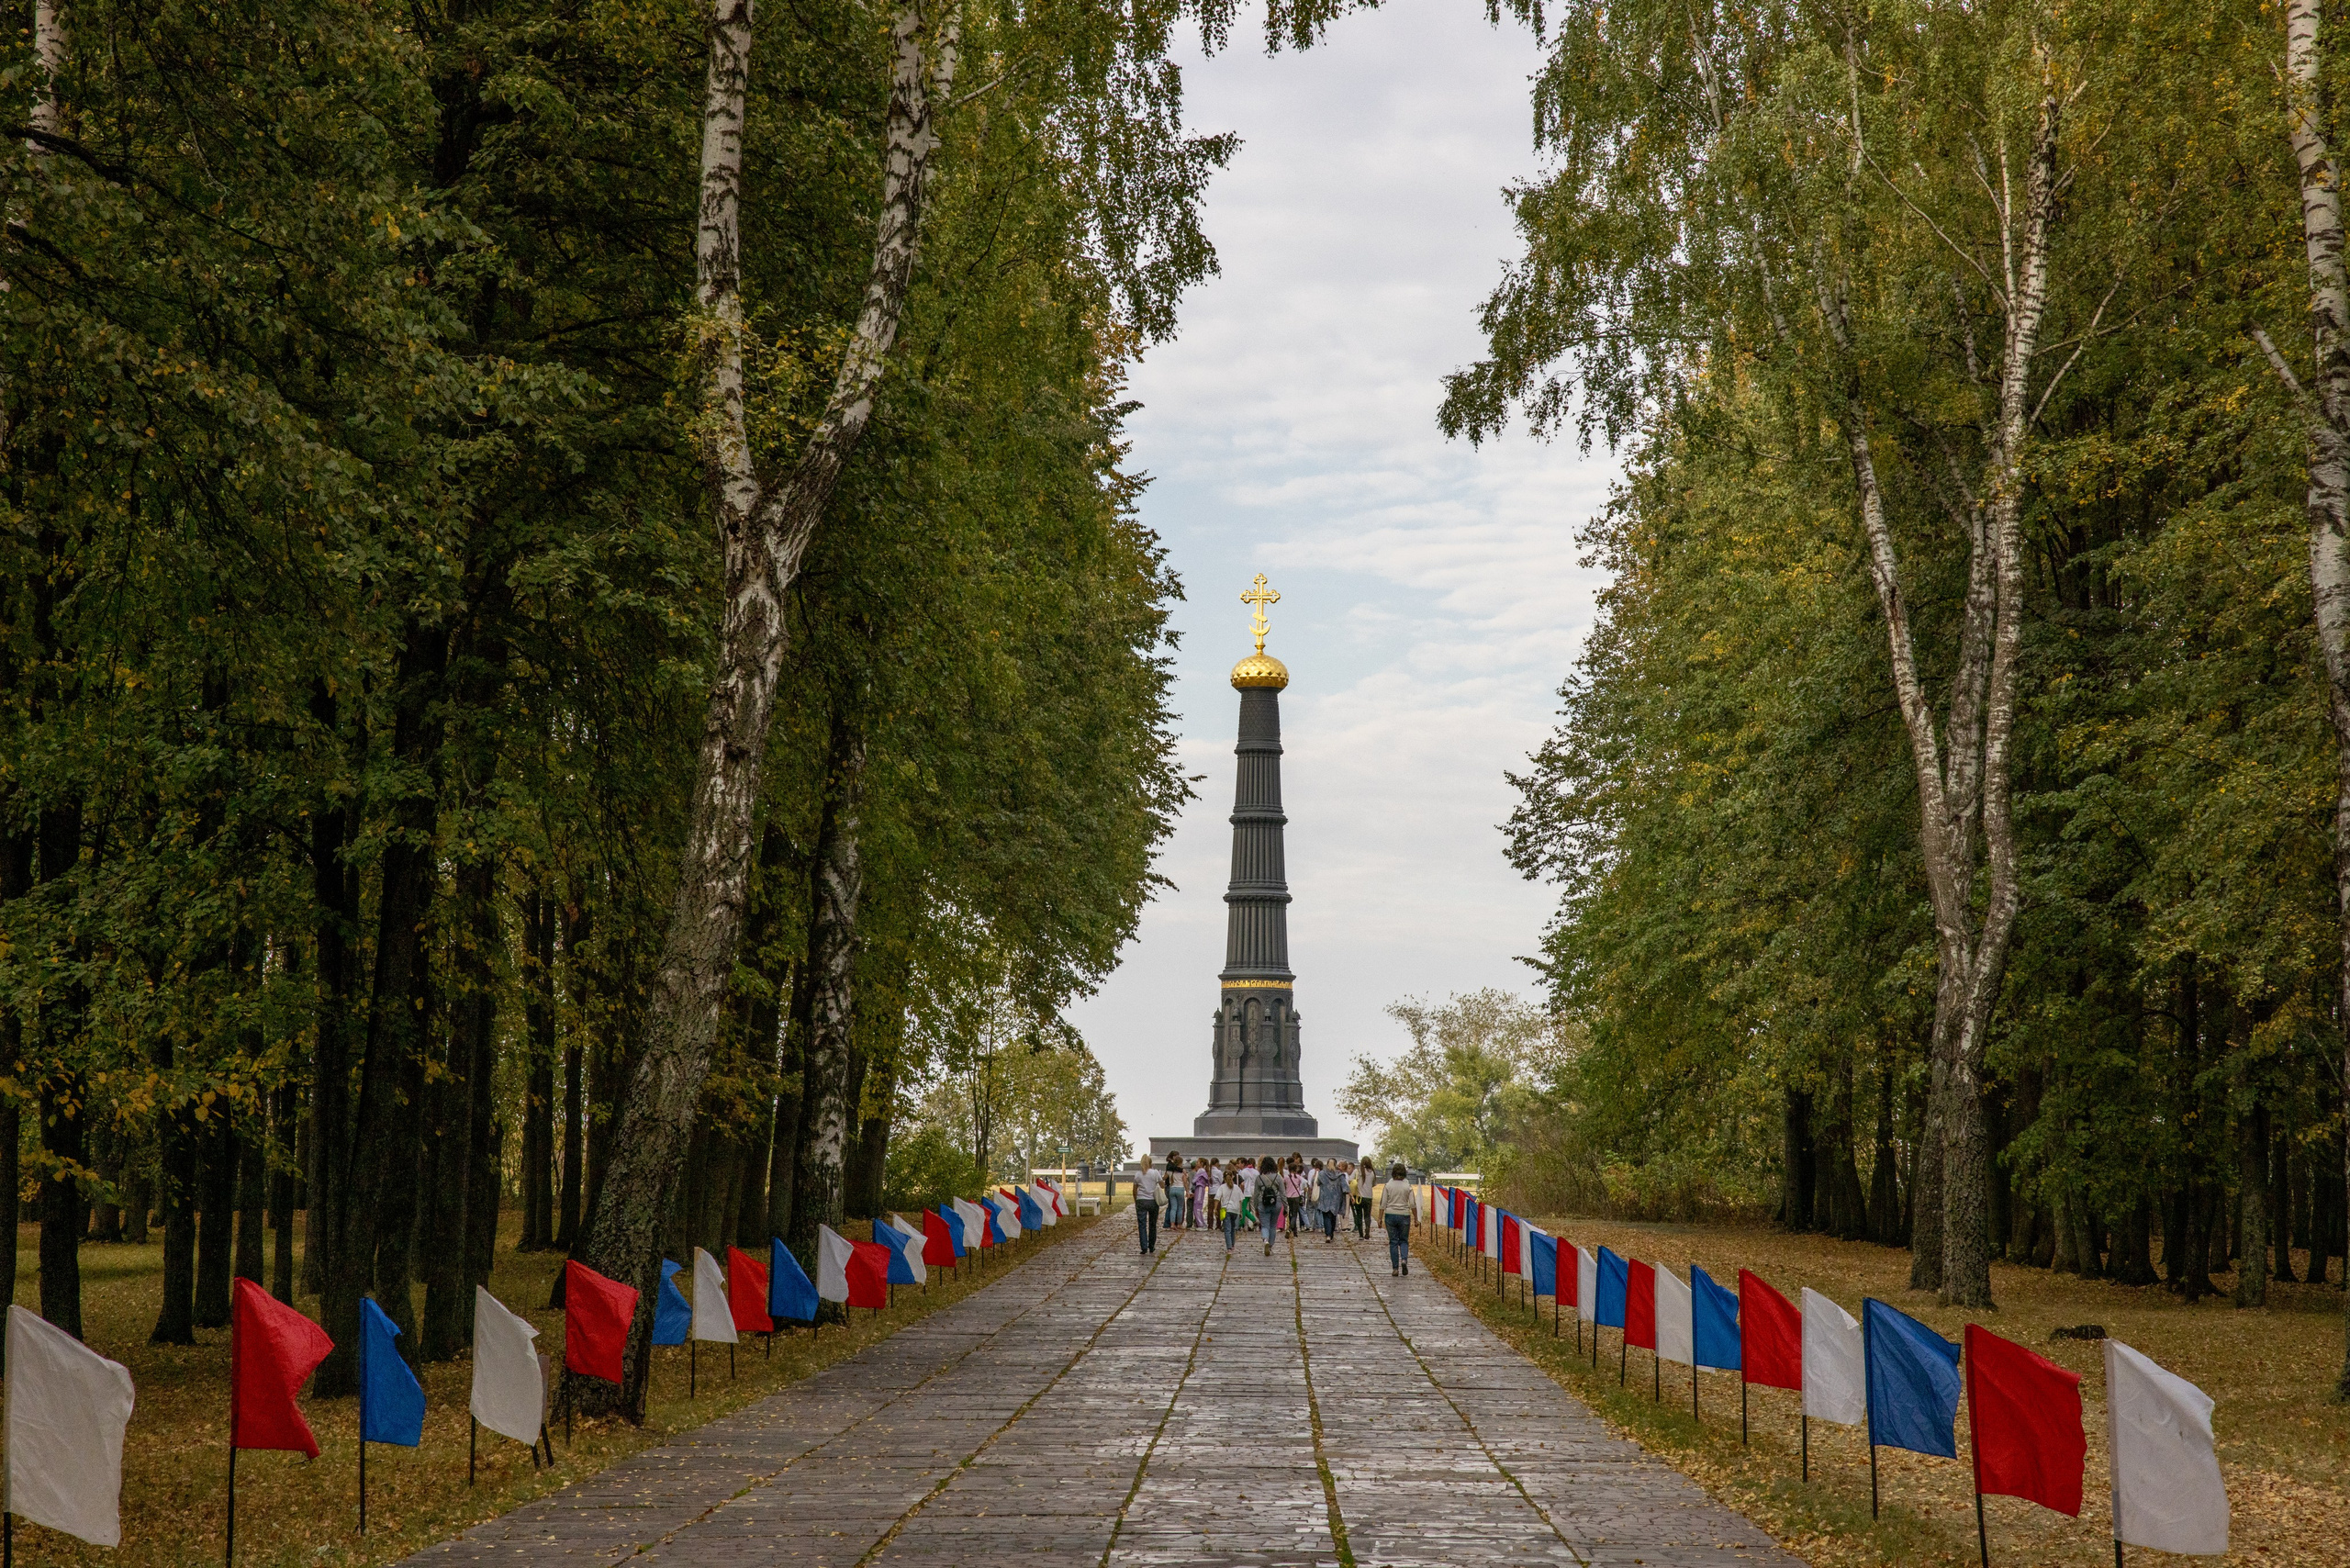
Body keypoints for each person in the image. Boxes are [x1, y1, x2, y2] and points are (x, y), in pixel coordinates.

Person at [1380, 1161, 1414, 1275]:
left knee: (1393, 1242)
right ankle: (1404, 1259)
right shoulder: (1408, 1186)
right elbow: (1412, 1203)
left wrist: (1379, 1218)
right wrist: (1417, 1217)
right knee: (1404, 1240)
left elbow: (1383, 1203)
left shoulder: (1388, 1186)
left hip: (1390, 1214)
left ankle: (1395, 1268)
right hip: (1404, 1214)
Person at [1133, 1157, 1165, 1255]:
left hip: (1141, 1200)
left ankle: (1144, 1247)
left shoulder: (1138, 1174)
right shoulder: (1155, 1173)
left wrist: (1136, 1201)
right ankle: (1151, 1246)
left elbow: (1134, 1190)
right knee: (1152, 1224)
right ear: (1151, 1163)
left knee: (1142, 1225)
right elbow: (1162, 1185)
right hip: (1153, 1200)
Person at [1253, 1156, 1284, 1255]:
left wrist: (1256, 1207)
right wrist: (1286, 1207)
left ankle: (1265, 1240)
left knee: (1265, 1225)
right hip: (1276, 1203)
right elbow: (1283, 1193)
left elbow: (1256, 1194)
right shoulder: (1278, 1177)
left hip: (1263, 1203)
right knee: (1273, 1225)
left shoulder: (1259, 1178)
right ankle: (1270, 1246)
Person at [1217, 1169, 1248, 1251]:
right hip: (1235, 1210)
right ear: (1232, 1177)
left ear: (1224, 1178)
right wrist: (1241, 1211)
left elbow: (1217, 1198)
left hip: (1226, 1209)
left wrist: (1215, 1209)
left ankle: (1229, 1247)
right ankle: (1232, 1244)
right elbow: (1241, 1200)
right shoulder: (1237, 1188)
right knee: (1233, 1228)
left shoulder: (1222, 1187)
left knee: (1227, 1229)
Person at [1315, 1159, 1346, 1242]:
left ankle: (1328, 1234)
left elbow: (1318, 1183)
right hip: (1335, 1199)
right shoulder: (1339, 1175)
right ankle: (1331, 1233)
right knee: (1333, 1216)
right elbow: (1345, 1187)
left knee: (1326, 1216)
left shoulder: (1322, 1174)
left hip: (1325, 1198)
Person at [1349, 1159, 1376, 1238]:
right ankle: (1367, 1228)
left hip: (1359, 1197)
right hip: (1368, 1197)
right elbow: (1374, 1184)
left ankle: (1361, 1234)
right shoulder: (1372, 1173)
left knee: (1359, 1215)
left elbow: (1350, 1180)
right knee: (1367, 1215)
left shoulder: (1358, 1171)